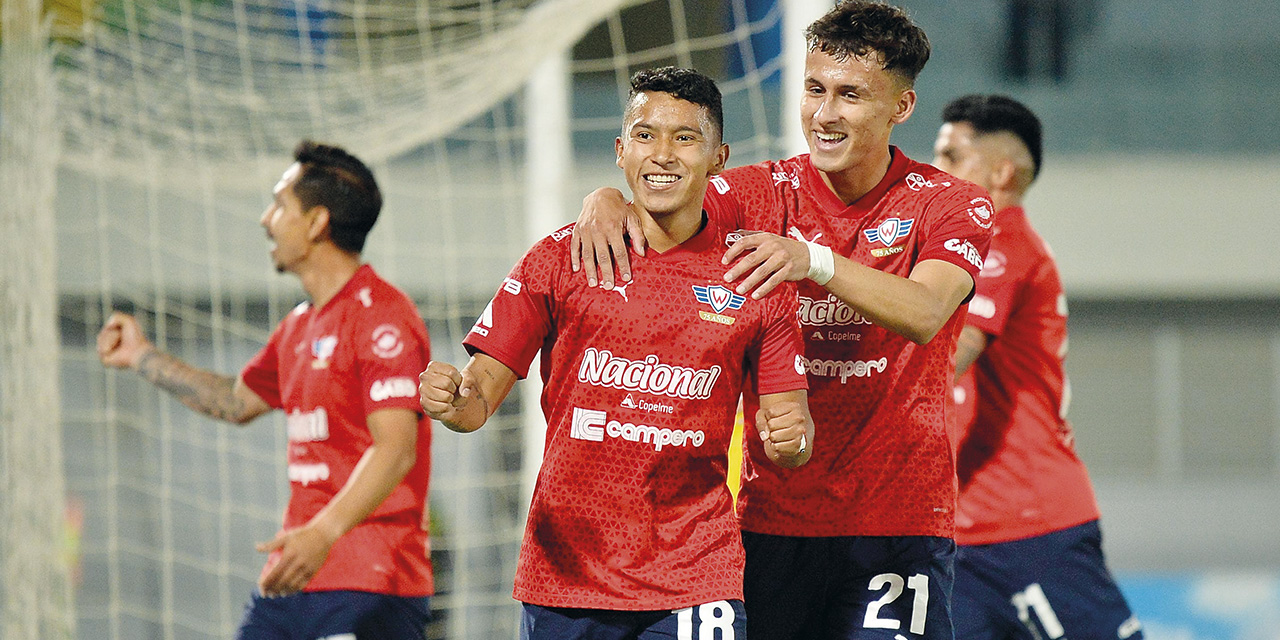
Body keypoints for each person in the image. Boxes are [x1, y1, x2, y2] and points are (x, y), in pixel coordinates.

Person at [570, 3, 994, 638]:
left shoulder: (951, 204)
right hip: (769, 518)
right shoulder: (755, 192)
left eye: (850, 96)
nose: (825, 114)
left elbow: (926, 311)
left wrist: (812, 261)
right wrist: (605, 197)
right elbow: (663, 195)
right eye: (815, 90)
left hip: (896, 520)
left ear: (900, 108)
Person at [418, 67, 814, 640]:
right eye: (646, 135)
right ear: (620, 150)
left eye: (685, 138)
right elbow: (475, 401)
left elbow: (793, 435)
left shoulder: (755, 279)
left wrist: (791, 441)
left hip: (697, 573)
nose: (664, 154)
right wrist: (450, 399)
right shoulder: (559, 259)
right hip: (567, 572)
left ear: (718, 157)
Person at [96, 141, 435, 639]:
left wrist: (324, 531)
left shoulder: (382, 315)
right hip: (292, 578)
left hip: (371, 580)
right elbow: (236, 401)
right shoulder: (298, 327)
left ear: (318, 223)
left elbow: (397, 449)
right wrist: (142, 356)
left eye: (279, 205)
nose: (265, 219)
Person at [934, 94, 1143, 640]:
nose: (936, 173)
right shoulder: (956, 253)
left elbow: (953, 353)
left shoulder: (1003, 241)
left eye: (952, 157)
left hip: (1027, 523)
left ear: (1003, 173)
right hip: (962, 531)